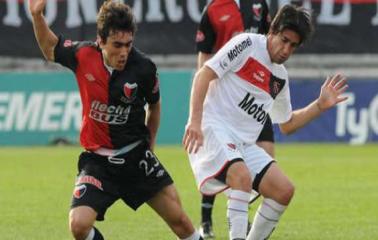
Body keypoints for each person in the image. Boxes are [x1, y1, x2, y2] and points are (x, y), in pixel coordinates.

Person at [29, 0, 203, 239]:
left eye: (128, 45)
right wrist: (37, 16)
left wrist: (149, 148)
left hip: (135, 157)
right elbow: (50, 49)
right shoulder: (82, 55)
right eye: (117, 45)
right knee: (79, 225)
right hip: (98, 163)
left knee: (181, 222)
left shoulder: (144, 68)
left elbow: (154, 106)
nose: (123, 52)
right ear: (100, 41)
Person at [184, 4, 348, 240]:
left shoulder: (279, 76)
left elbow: (287, 124)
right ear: (272, 30)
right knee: (241, 176)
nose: (286, 50)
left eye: (293, 46)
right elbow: (204, 75)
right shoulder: (247, 43)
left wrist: (319, 106)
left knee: (283, 190)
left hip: (243, 144)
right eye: (284, 40)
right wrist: (195, 121)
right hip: (213, 128)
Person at [195, 0, 272, 238]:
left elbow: (269, 42)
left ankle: (242, 219)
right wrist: (204, 95)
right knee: (220, 160)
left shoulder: (260, 4)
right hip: (226, 93)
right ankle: (206, 217)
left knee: (267, 161)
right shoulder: (214, 8)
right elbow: (205, 55)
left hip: (255, 92)